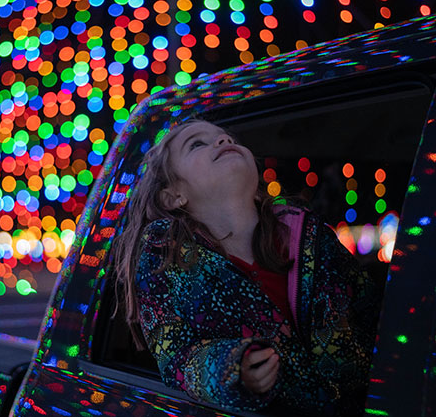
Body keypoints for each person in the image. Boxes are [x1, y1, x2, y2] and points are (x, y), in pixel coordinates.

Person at [113, 119, 382, 416]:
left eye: (227, 138)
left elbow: (374, 310)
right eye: (198, 144)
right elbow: (177, 357)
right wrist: (232, 369)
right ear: (174, 195)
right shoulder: (167, 259)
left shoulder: (311, 236)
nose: (223, 142)